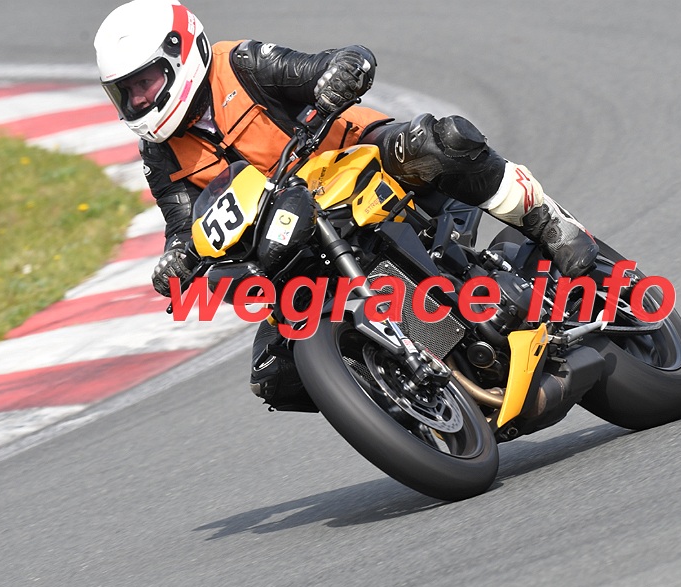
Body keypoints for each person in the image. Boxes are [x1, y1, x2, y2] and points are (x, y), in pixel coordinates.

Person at [94, 0, 599, 411]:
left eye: (145, 83)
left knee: (438, 141)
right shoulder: (159, 153)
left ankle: (545, 219)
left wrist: (341, 71)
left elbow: (330, 62)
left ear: (180, 54)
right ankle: (393, 390)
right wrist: (176, 259)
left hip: (352, 163)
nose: (139, 101)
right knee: (274, 371)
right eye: (127, 93)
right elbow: (183, 223)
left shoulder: (241, 65)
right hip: (284, 230)